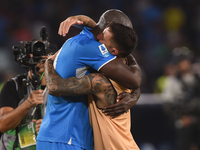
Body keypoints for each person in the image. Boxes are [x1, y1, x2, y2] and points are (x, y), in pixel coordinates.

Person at [37, 9, 141, 150]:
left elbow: (134, 81)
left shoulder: (76, 42)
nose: (101, 40)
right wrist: (135, 94)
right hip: (67, 138)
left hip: (62, 135)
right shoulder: (94, 49)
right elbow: (134, 79)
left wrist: (49, 61)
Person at [0, 59, 46, 150]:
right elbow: (3, 125)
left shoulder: (62, 87)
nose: (42, 56)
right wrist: (28, 104)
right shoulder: (14, 85)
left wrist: (49, 127)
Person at [162, 47, 200, 150]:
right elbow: (168, 106)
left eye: (185, 60)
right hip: (181, 120)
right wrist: (180, 118)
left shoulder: (197, 78)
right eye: (180, 61)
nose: (183, 63)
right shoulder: (172, 81)